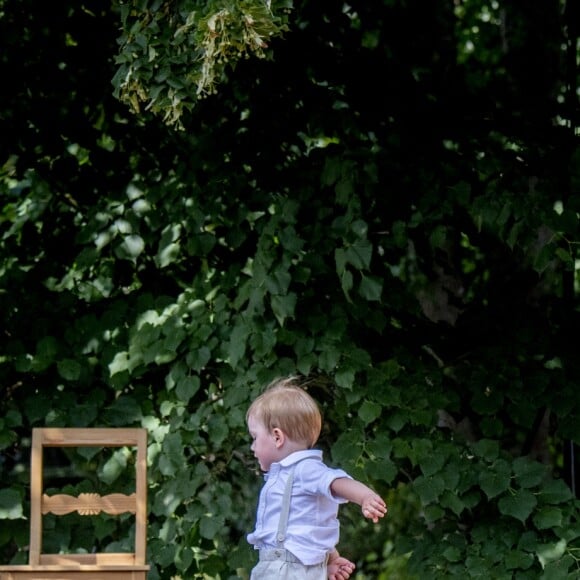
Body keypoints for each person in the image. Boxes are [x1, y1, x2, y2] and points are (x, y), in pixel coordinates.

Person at [246, 376, 388, 579]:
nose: (252, 447)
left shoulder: (304, 469)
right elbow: (309, 523)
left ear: (277, 437)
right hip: (291, 568)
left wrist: (365, 497)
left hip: (285, 571)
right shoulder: (287, 474)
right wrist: (327, 561)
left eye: (255, 438)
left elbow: (337, 482)